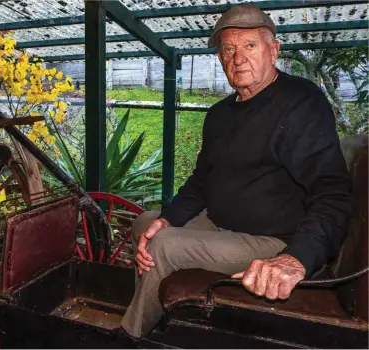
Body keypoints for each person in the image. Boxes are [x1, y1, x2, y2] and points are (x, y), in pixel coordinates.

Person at [120, 4, 352, 338]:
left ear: (273, 50)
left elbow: (332, 192)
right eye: (228, 49)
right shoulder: (219, 114)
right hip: (219, 223)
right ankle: (162, 315)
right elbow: (201, 180)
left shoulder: (300, 102)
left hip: (272, 240)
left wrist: (297, 257)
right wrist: (167, 217)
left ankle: (133, 336)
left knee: (163, 246)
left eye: (250, 46)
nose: (238, 58)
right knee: (146, 225)